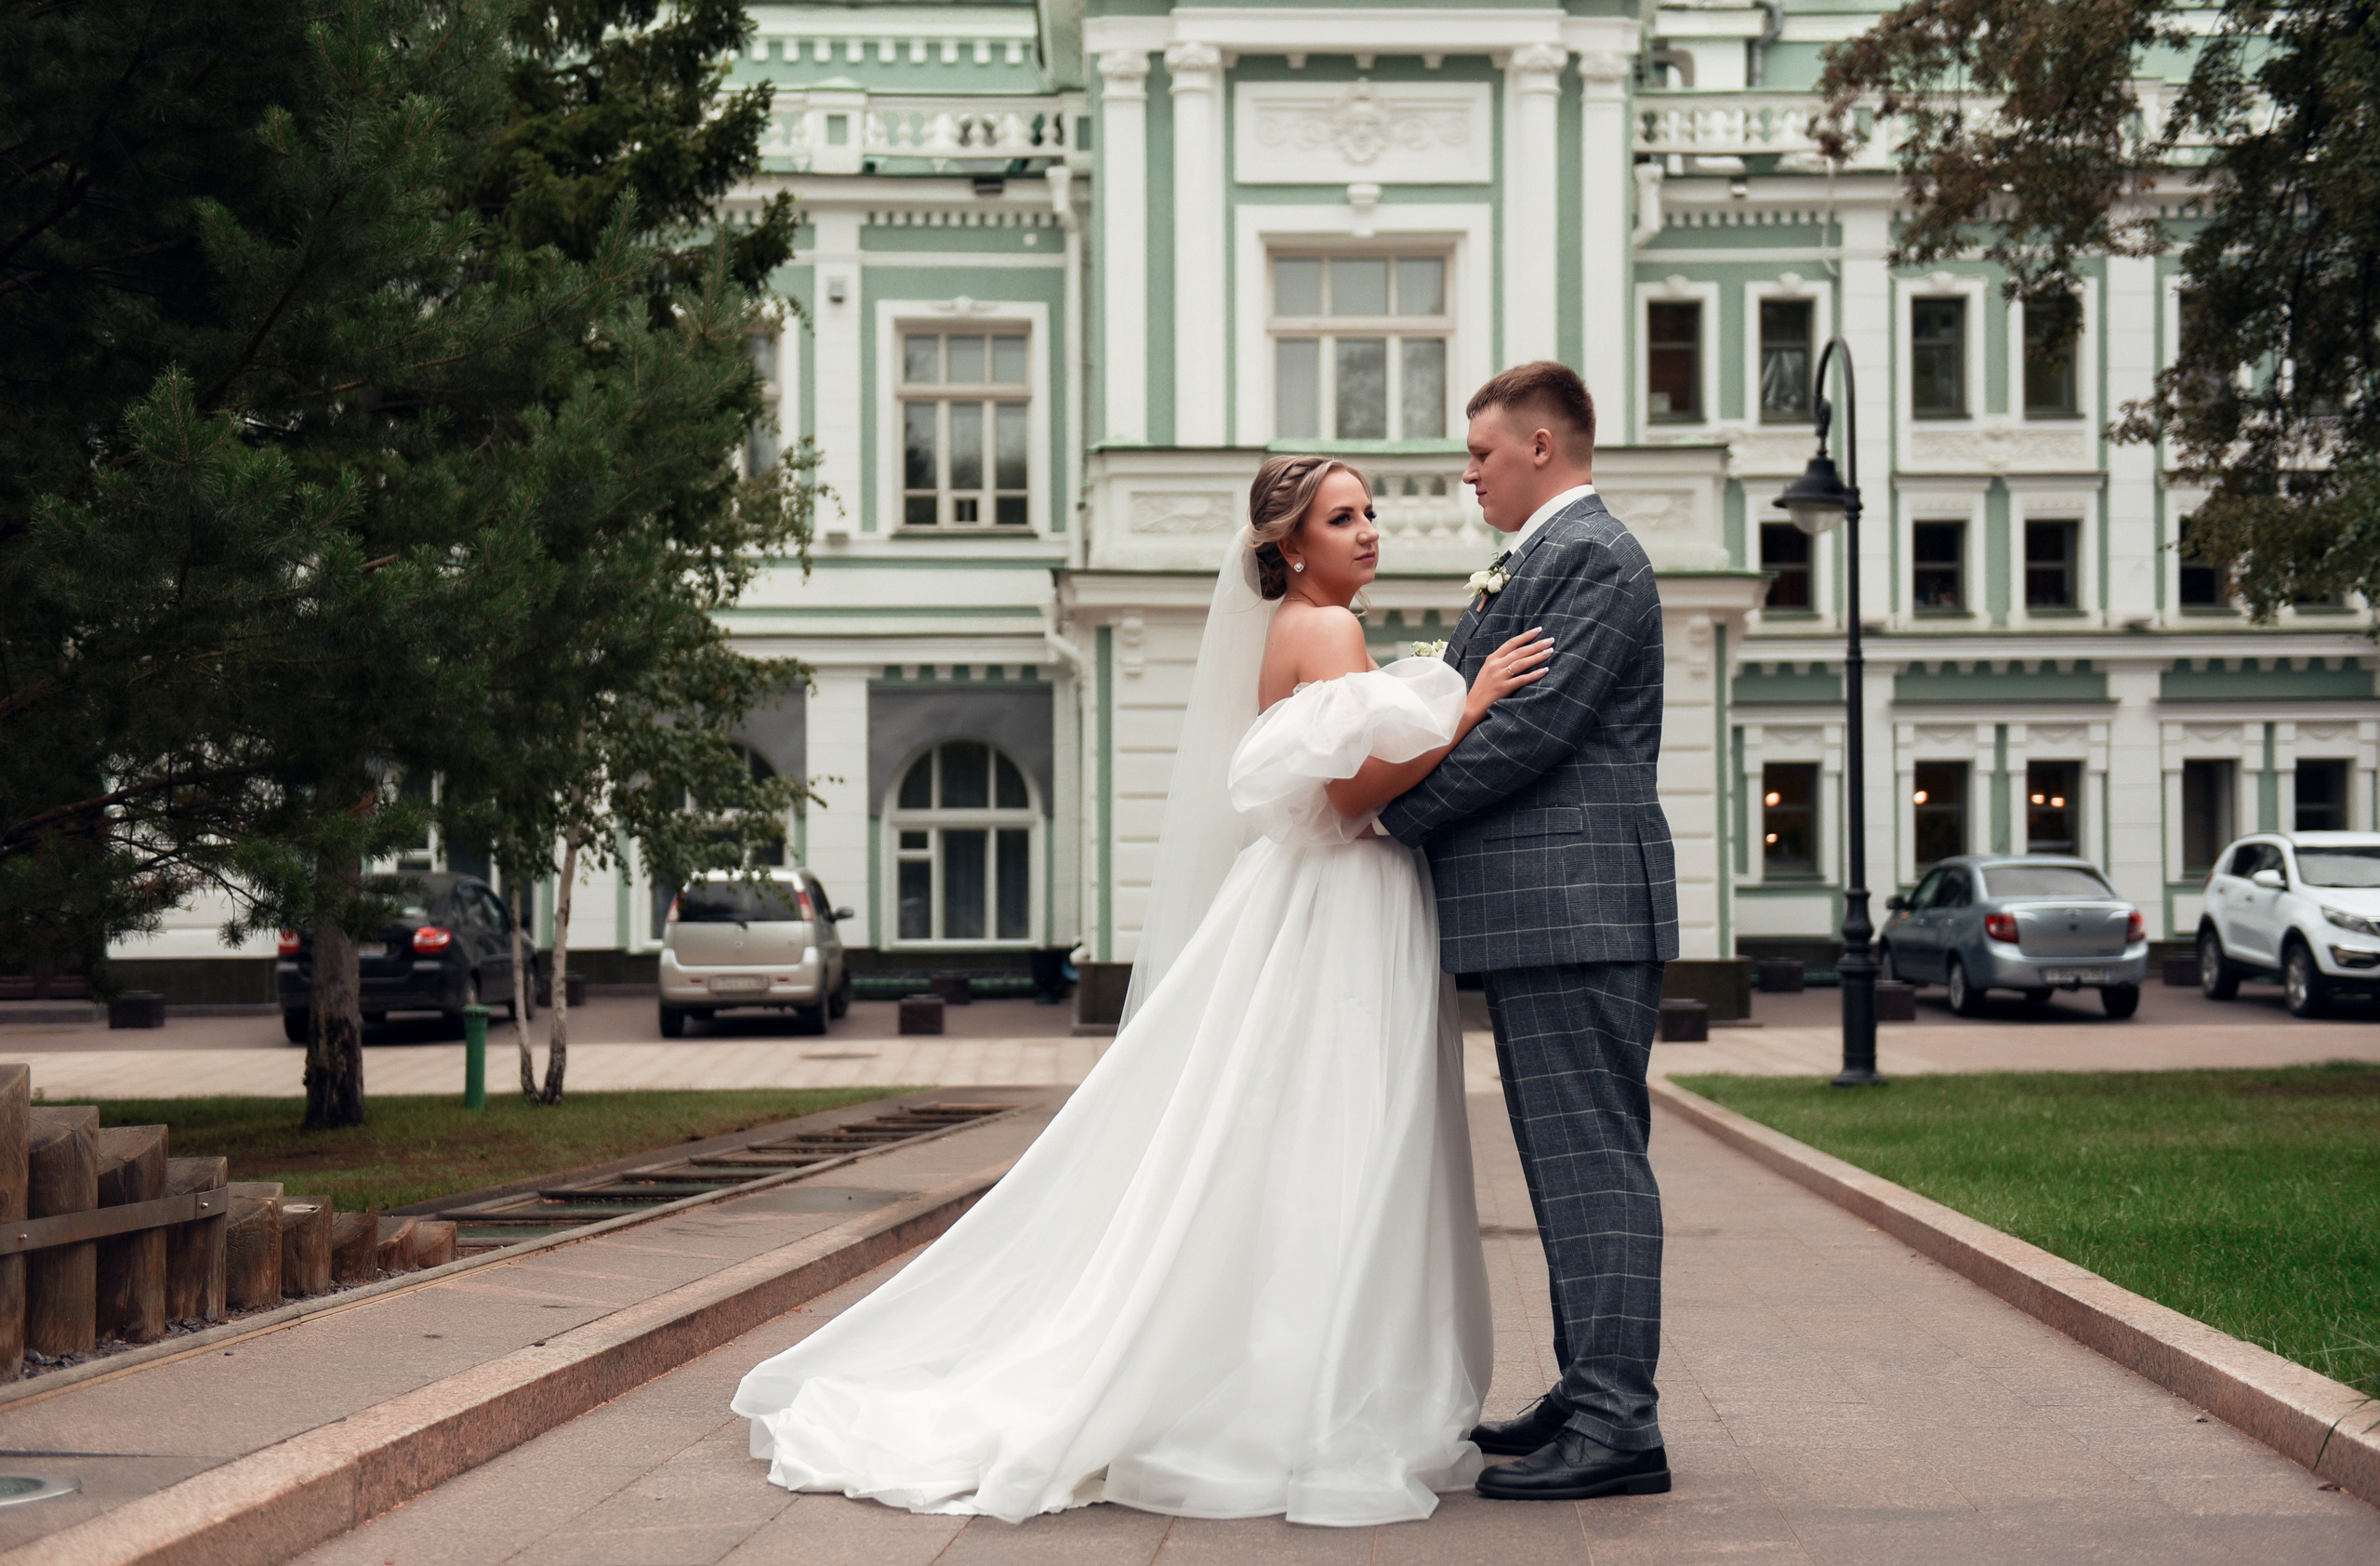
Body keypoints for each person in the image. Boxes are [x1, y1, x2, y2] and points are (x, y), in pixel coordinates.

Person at [730, 454, 1554, 1527]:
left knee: (1288, 1126)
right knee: (1346, 1126)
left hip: (1314, 899)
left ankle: (1297, 1365)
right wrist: (1469, 706)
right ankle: (1321, 1387)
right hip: (1345, 901)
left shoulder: (1293, 632)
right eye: (1340, 518)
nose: (1367, 531)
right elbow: (1353, 797)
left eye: (1369, 513)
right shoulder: (1329, 631)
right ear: (1288, 546)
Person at [1379, 361, 1680, 1503]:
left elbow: (1527, 737)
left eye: (1483, 454)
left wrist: (1387, 814)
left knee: (1589, 1163)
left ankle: (1617, 1420)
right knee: (1565, 1166)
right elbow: (1467, 700)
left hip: (1576, 904)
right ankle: (1590, 1386)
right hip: (1548, 910)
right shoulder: (1548, 557)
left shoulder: (1588, 557)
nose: (1466, 475)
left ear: (1542, 448)